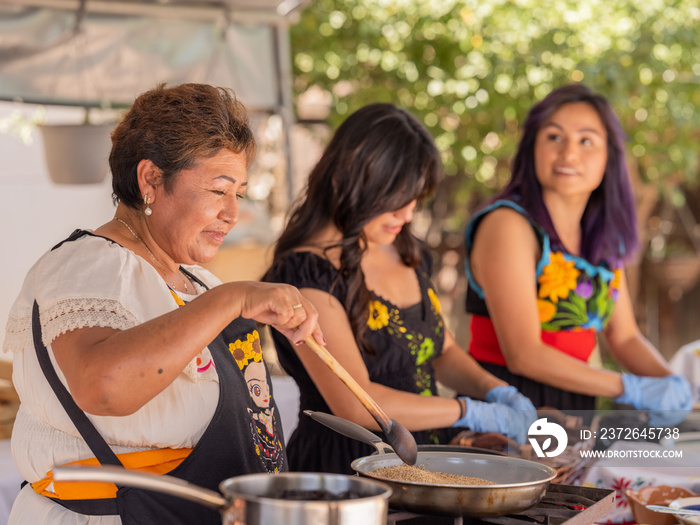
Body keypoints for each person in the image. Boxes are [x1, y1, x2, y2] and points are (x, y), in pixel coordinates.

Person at [3, 83, 324, 525]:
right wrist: (235, 298)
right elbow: (103, 387)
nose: (233, 213)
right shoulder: (87, 264)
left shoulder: (198, 281)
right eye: (218, 190)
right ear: (151, 179)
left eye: (240, 193)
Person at [263, 103, 537, 476]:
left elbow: (441, 350)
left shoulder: (407, 250)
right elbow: (358, 403)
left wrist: (496, 391)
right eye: (396, 200)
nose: (408, 214)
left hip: (422, 463)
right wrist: (470, 411)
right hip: (351, 470)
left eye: (415, 199)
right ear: (351, 180)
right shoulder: (308, 274)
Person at [464, 83, 692, 426]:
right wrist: (629, 387)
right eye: (554, 137)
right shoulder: (508, 224)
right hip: (505, 419)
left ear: (608, 159)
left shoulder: (601, 237)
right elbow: (524, 354)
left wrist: (676, 386)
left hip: (573, 417)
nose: (569, 153)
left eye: (587, 141)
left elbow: (624, 336)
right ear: (532, 149)